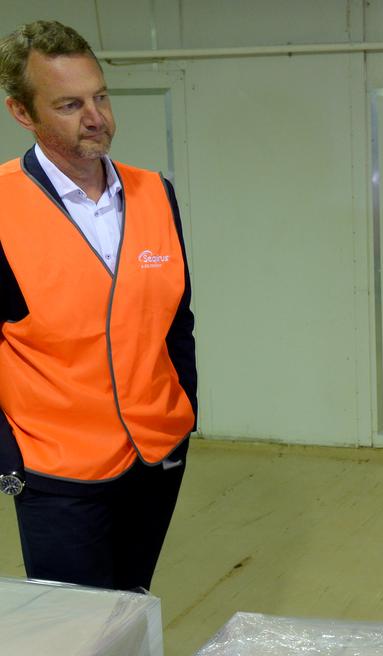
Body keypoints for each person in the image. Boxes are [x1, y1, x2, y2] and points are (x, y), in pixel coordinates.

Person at [0, 20, 197, 592]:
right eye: (69, 104)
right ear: (23, 113)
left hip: (155, 456)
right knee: (75, 640)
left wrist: (184, 411)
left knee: (131, 606)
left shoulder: (154, 192)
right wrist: (8, 458)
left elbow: (177, 322)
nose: (96, 118)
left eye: (101, 97)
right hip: (56, 474)